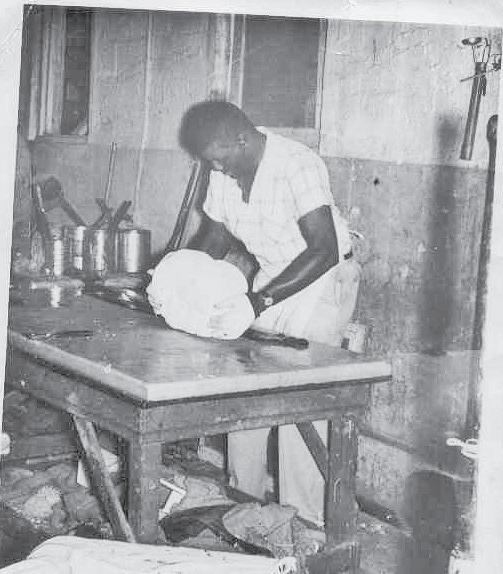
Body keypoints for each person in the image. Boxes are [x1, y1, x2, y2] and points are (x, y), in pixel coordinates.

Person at [179, 100, 360, 526]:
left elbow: (325, 249)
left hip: (323, 277)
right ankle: (244, 501)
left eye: (221, 159)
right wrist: (179, 276)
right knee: (245, 385)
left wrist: (256, 302)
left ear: (242, 140)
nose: (216, 168)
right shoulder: (225, 171)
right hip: (275, 277)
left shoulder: (297, 164)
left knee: (298, 395)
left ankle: (303, 520)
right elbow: (215, 236)